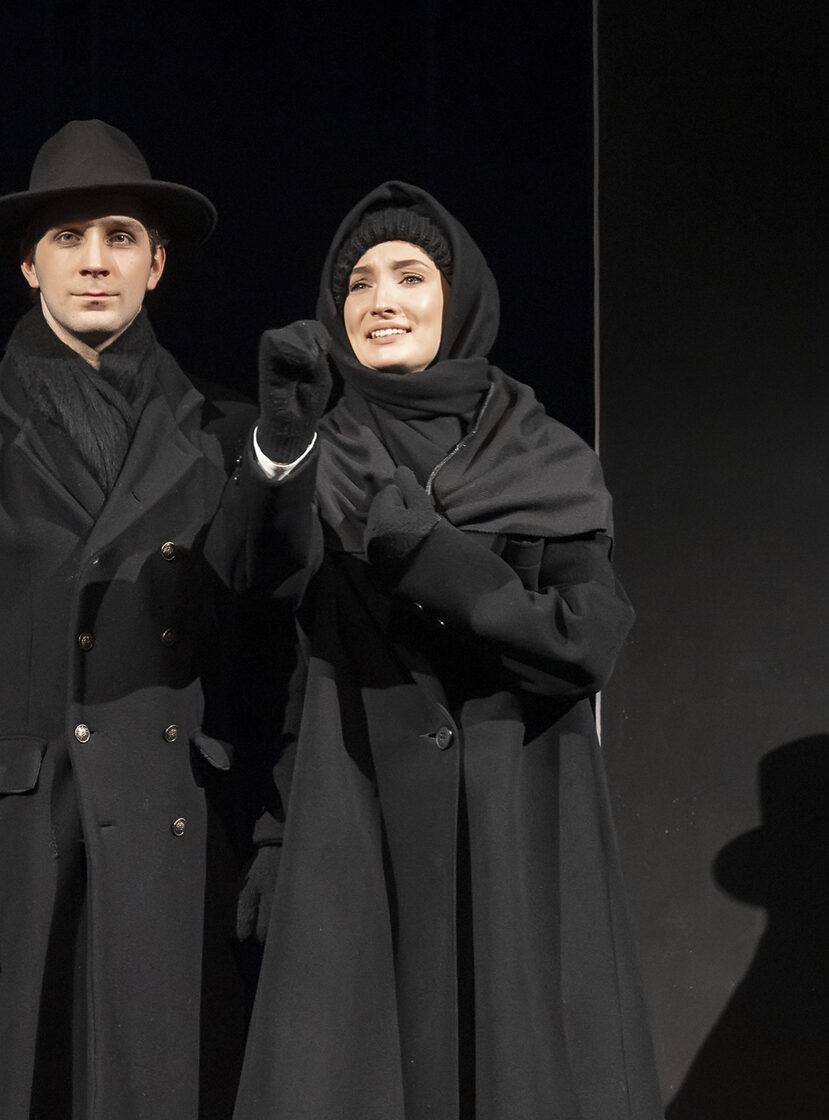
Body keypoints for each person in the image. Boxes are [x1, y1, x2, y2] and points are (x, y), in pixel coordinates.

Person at [0, 119, 272, 1119]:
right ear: (28, 264)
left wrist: (279, 832)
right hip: (14, 857)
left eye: (120, 237)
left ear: (156, 264)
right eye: (69, 238)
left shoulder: (230, 433)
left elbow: (266, 661)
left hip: (175, 846)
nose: (94, 261)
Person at [228, 182, 665, 1119]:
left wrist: (430, 557)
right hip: (357, 826)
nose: (380, 300)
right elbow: (263, 602)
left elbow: (584, 643)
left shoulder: (545, 458)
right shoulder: (321, 453)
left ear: (457, 298)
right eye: (358, 283)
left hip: (513, 819)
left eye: (410, 276)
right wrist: (281, 447)